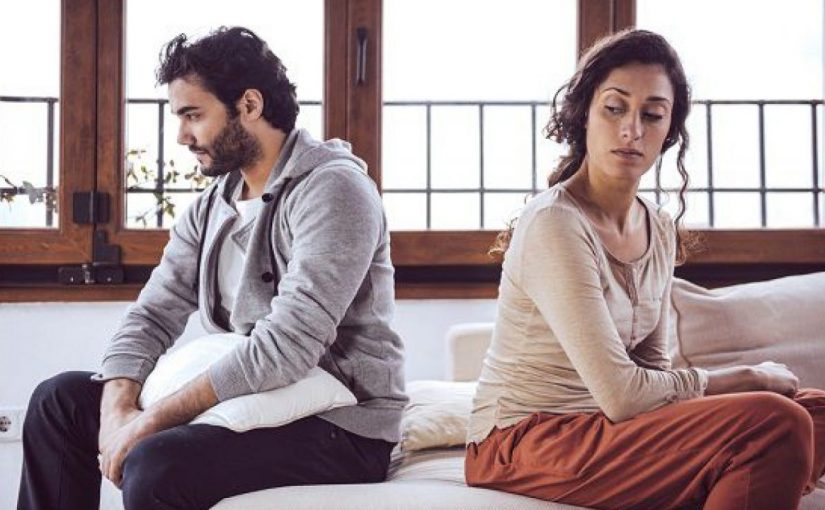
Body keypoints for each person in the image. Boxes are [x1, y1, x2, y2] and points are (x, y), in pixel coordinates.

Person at [18, 26, 406, 510]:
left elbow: (287, 346)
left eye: (193, 115)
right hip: (254, 401)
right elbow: (152, 315)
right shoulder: (211, 206)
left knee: (157, 463)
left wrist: (149, 421)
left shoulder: (334, 190)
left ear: (249, 105)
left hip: (342, 425)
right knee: (59, 401)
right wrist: (117, 411)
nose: (183, 136)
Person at [465, 29, 825, 510]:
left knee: (816, 411)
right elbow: (623, 395)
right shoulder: (555, 222)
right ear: (584, 114)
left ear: (669, 130)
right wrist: (746, 378)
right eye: (614, 108)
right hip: (524, 440)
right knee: (776, 421)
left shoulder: (657, 226)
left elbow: (653, 373)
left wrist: (709, 410)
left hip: (610, 429)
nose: (631, 130)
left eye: (652, 115)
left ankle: (729, 475)